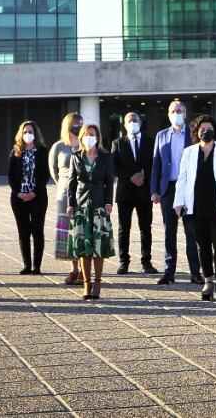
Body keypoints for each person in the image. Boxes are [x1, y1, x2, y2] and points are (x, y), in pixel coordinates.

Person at [174, 115, 216, 301]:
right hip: (196, 205)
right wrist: (178, 202)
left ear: (215, 130)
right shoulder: (189, 152)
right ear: (196, 132)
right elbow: (182, 178)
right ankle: (208, 281)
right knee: (202, 246)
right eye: (202, 128)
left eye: (209, 128)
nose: (206, 131)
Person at [151, 100, 200, 285]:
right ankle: (169, 271)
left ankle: (195, 272)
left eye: (180, 110)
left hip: (189, 188)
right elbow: (156, 164)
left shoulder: (193, 135)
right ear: (169, 114)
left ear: (185, 113)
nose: (177, 113)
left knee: (192, 232)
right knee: (169, 232)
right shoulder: (161, 135)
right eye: (173, 111)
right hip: (168, 188)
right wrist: (154, 190)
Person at [66, 123, 116, 299]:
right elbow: (71, 183)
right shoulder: (75, 156)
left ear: (98, 137)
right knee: (83, 247)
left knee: (98, 247)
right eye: (86, 134)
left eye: (92, 134)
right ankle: (86, 284)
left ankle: (97, 284)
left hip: (99, 205)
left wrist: (109, 202)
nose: (89, 137)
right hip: (81, 205)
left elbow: (109, 182)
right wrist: (70, 204)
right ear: (81, 137)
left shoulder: (105, 157)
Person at [112, 110, 156, 274]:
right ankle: (124, 261)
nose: (132, 123)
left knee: (146, 227)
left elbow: (154, 162)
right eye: (129, 121)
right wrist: (130, 176)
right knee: (124, 228)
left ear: (140, 122)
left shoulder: (150, 141)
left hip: (144, 191)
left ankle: (147, 261)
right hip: (125, 192)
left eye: (135, 120)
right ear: (124, 125)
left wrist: (143, 174)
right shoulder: (118, 143)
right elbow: (114, 166)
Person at [8, 120, 51, 275]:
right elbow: (10, 175)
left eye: (30, 132)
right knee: (23, 231)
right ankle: (27, 264)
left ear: (35, 134)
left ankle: (37, 266)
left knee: (37, 230)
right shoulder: (15, 151)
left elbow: (46, 174)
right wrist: (17, 192)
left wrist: (35, 192)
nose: (28, 135)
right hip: (19, 198)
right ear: (21, 133)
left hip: (37, 197)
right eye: (25, 132)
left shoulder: (42, 151)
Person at [50, 113, 83, 285]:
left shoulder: (85, 144)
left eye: (81, 123)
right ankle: (73, 269)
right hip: (64, 195)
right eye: (76, 124)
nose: (78, 126)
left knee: (82, 231)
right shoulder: (59, 146)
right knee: (69, 233)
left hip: (84, 194)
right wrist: (65, 185)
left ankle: (84, 270)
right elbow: (53, 170)